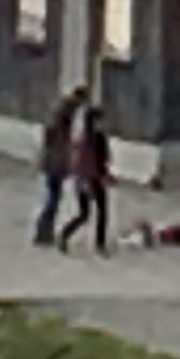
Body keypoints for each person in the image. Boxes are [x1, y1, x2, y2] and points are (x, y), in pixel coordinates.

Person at [32, 90, 83, 247]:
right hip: (55, 164)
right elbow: (57, 140)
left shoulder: (60, 113)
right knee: (53, 198)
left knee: (53, 197)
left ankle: (45, 231)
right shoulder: (63, 116)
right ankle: (43, 231)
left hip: (53, 162)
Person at [70, 101, 115, 255]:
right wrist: (104, 176)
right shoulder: (98, 138)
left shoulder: (83, 138)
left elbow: (79, 160)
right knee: (101, 212)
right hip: (94, 179)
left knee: (84, 214)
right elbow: (101, 160)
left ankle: (65, 234)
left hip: (83, 178)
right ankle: (100, 244)